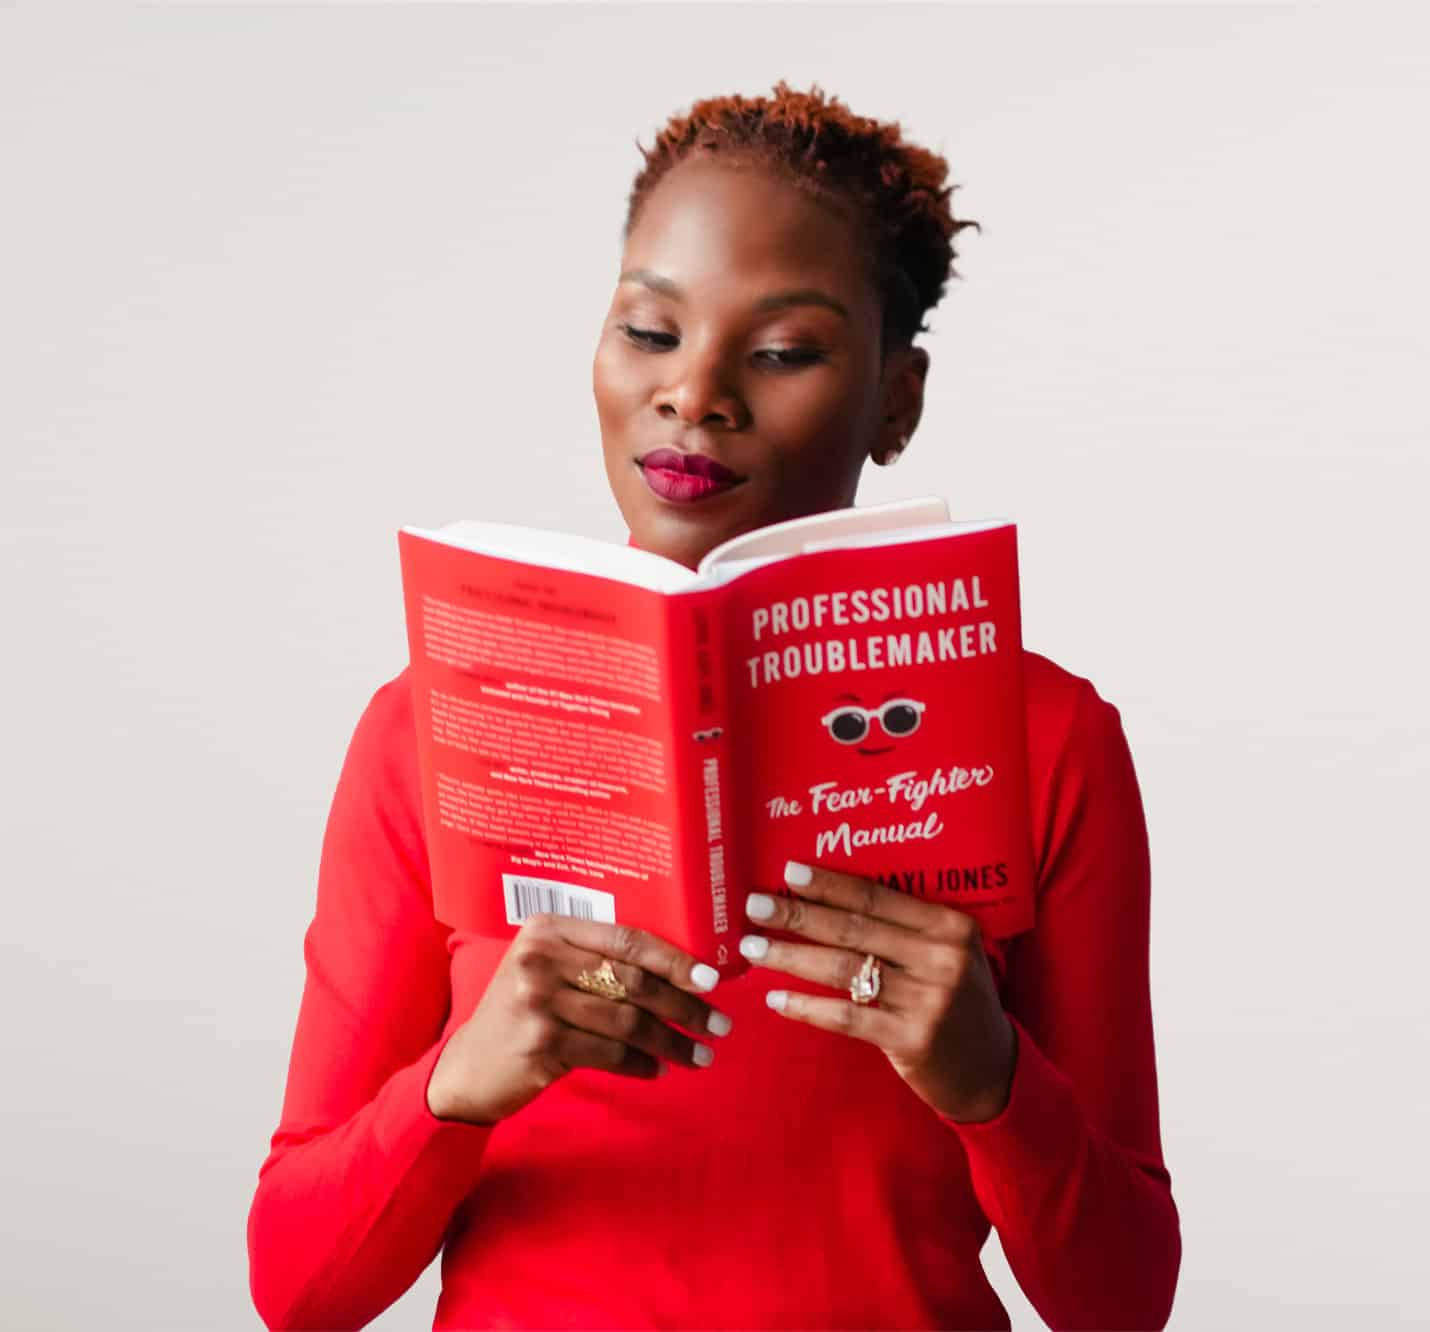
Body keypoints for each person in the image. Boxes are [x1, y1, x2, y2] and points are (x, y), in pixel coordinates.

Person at [247, 82, 1182, 1331]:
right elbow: (295, 1289)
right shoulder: (430, 726)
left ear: (895, 400)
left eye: (784, 351)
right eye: (647, 331)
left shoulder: (1046, 741)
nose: (696, 394)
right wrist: (457, 1089)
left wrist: (989, 1080)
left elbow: (1120, 1301)